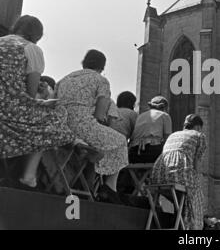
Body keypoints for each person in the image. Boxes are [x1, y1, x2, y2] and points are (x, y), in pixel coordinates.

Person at [0, 15, 76, 190]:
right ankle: (28, 176)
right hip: (9, 111)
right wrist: (46, 99)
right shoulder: (32, 49)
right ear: (37, 35)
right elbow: (31, 93)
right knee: (56, 117)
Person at [55, 49, 128, 203]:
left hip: (60, 127)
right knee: (120, 141)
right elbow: (100, 114)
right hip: (82, 126)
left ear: (84, 62)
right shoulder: (100, 80)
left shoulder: (63, 80)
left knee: (98, 146)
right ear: (102, 67)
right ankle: (110, 187)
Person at [151, 114, 207, 230]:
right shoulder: (199, 135)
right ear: (198, 127)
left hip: (158, 174)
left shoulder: (173, 135)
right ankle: (190, 228)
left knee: (184, 196)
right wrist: (199, 179)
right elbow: (197, 165)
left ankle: (180, 221)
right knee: (197, 194)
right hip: (180, 176)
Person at [129, 96, 172, 164]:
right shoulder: (165, 115)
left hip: (134, 153)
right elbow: (167, 139)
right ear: (165, 107)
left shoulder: (140, 116)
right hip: (152, 152)